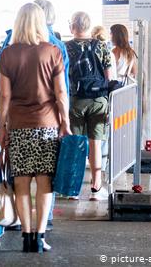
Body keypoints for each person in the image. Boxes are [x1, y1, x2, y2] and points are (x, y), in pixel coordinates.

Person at [0, 3, 70, 253]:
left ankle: (26, 238)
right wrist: (65, 123)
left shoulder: (8, 55)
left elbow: (4, 96)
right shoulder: (52, 52)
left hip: (18, 126)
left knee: (21, 184)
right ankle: (40, 237)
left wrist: (2, 126)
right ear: (41, 23)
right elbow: (61, 92)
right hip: (48, 126)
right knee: (44, 183)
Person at [66, 11, 116, 200]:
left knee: (76, 142)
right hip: (98, 99)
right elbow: (109, 76)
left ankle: (74, 189)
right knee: (95, 142)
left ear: (73, 27)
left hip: (75, 100)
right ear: (88, 26)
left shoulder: (66, 47)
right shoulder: (101, 46)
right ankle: (96, 187)